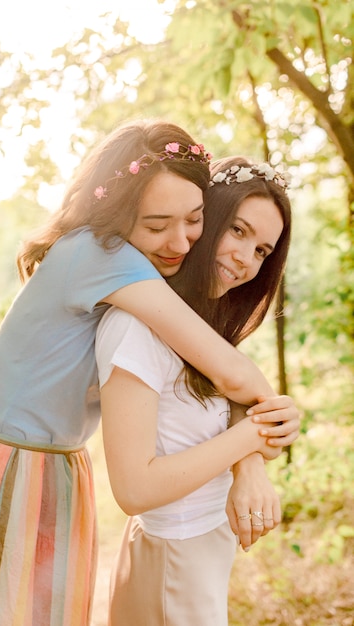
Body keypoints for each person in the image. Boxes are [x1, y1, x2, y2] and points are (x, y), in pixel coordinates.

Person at [0, 120, 297, 626]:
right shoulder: (104, 254)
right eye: (156, 225)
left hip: (58, 463)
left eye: (194, 219)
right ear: (118, 214)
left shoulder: (120, 260)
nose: (179, 241)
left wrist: (251, 458)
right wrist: (266, 423)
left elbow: (218, 369)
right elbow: (229, 369)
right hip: (17, 468)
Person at [95, 155, 293, 626]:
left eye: (263, 250)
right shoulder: (136, 328)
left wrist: (249, 471)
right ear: (206, 220)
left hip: (203, 547)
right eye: (238, 231)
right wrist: (250, 440)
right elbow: (133, 489)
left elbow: (249, 410)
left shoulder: (202, 332)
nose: (246, 259)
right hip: (173, 558)